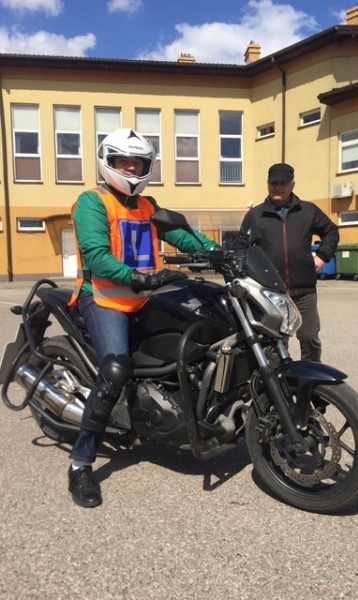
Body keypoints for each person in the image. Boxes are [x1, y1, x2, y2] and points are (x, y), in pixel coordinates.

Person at [67, 128, 218, 508]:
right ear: (109, 163)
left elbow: (181, 235)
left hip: (145, 296)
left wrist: (218, 252)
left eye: (137, 162)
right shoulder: (92, 201)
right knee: (115, 371)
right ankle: (81, 463)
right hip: (104, 299)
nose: (131, 168)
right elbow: (97, 255)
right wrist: (137, 278)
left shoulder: (148, 205)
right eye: (124, 162)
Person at [234, 162, 339, 363]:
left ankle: (311, 374)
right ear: (268, 184)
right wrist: (245, 274)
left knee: (309, 338)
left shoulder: (307, 211)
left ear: (292, 185)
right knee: (276, 342)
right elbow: (241, 246)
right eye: (274, 183)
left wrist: (322, 257)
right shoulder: (255, 215)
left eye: (283, 183)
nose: (278, 187)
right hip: (271, 292)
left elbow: (331, 231)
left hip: (304, 290)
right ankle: (281, 378)